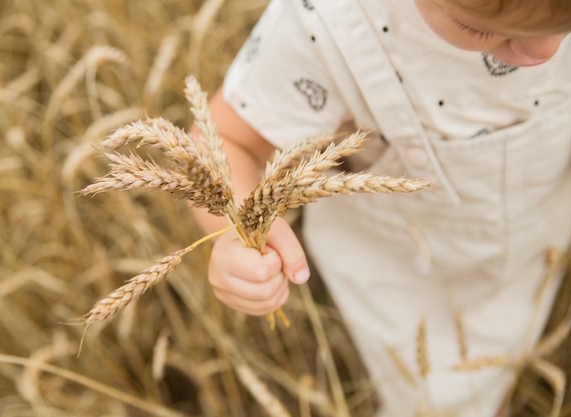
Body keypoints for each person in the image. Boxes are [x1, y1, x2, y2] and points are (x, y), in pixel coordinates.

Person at [190, 0, 571, 416]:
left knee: (515, 358)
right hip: (405, 277)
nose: (544, 52)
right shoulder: (331, 21)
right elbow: (227, 139)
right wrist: (239, 229)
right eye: (480, 31)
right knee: (441, 404)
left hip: (541, 243)